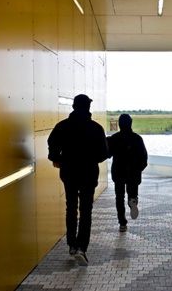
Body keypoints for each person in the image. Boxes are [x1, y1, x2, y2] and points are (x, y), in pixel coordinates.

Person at [47, 94, 108, 266]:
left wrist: (57, 158)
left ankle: (72, 245)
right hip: (89, 173)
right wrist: (91, 158)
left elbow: (52, 144)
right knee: (86, 210)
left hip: (69, 173)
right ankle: (82, 247)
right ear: (88, 107)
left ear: (73, 107)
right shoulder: (96, 128)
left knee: (71, 207)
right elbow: (103, 154)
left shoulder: (62, 126)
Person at [106, 113, 148, 232]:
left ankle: (122, 223)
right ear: (131, 123)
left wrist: (107, 142)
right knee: (132, 193)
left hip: (118, 172)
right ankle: (132, 201)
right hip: (133, 173)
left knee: (119, 198)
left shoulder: (114, 138)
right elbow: (144, 157)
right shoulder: (137, 138)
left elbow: (107, 154)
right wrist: (139, 169)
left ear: (119, 124)